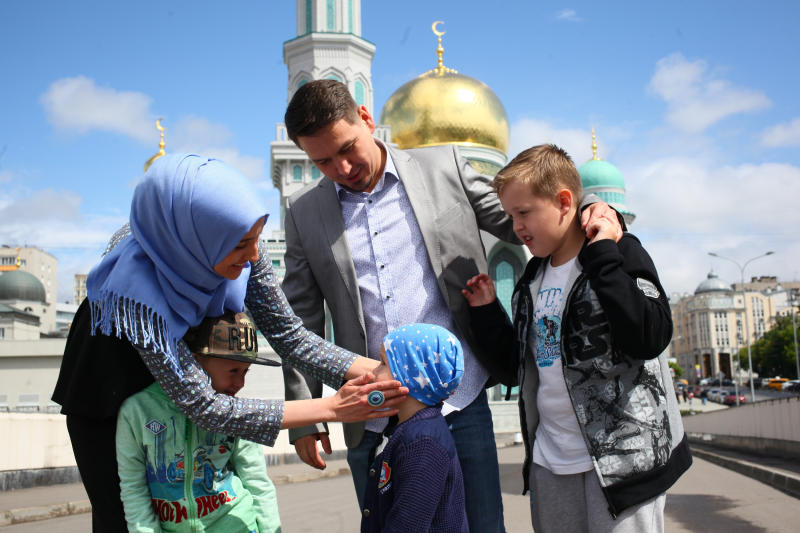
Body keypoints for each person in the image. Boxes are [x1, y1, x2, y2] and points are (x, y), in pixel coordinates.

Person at [279, 79, 623, 532]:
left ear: (366, 119)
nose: (342, 167)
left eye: (347, 148)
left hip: (459, 406)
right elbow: (298, 321)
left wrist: (593, 206)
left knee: (482, 526)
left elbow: (525, 211)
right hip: (372, 410)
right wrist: (304, 417)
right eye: (322, 161)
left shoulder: (442, 168)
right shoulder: (305, 213)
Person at [52, 153, 407, 532]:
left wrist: (386, 372)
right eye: (242, 245)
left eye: (256, 239)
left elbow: (290, 336)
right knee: (128, 520)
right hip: (114, 394)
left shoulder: (237, 242)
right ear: (195, 243)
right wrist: (333, 408)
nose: (254, 255)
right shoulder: (136, 291)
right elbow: (204, 406)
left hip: (196, 381)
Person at [462, 145, 691, 533]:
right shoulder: (530, 281)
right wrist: (486, 312)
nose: (516, 227)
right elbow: (515, 370)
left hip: (625, 463)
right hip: (553, 463)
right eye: (510, 215)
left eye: (524, 213)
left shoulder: (621, 249)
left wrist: (603, 253)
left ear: (565, 202)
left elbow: (649, 336)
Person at [116, 312, 282, 532]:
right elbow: (133, 488)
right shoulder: (137, 411)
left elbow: (257, 481)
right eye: (233, 370)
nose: (240, 383)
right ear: (195, 360)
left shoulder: (238, 412)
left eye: (245, 372)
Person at [361, 324, 468, 533]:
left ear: (408, 373)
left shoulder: (422, 443)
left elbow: (407, 524)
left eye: (383, 363)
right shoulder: (412, 429)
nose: (374, 371)